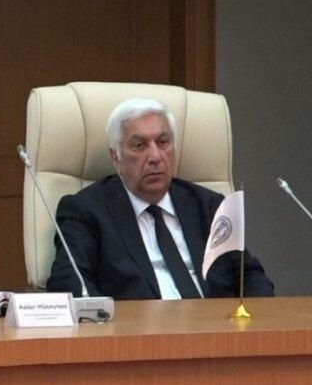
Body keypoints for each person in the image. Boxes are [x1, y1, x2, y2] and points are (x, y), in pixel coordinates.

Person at [46, 97, 274, 300]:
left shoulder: (208, 206)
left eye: (163, 142)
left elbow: (250, 276)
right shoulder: (86, 211)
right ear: (116, 157)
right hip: (137, 332)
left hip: (215, 329)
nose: (155, 156)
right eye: (139, 145)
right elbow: (69, 283)